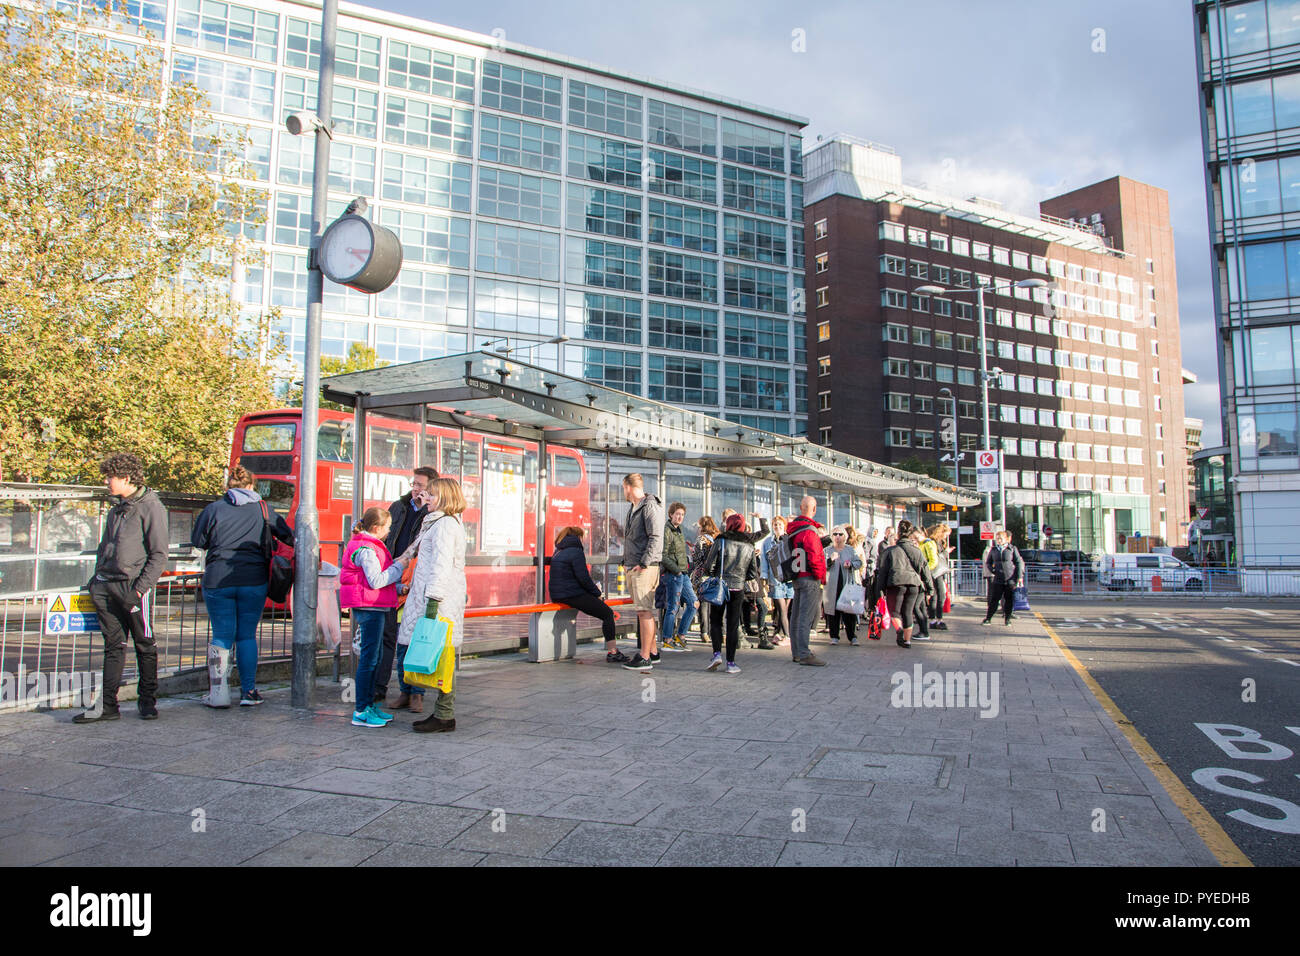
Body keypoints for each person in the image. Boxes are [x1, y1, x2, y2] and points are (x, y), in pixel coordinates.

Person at [74, 453, 169, 723]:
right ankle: (107, 706)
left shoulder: (151, 507)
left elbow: (159, 554)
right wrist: (97, 581)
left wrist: (138, 590)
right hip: (106, 586)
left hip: (132, 586)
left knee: (144, 644)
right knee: (113, 646)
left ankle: (148, 701)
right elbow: (106, 547)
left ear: (126, 478)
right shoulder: (117, 507)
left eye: (110, 477)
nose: (106, 481)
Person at [190, 465, 294, 708]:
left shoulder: (214, 509)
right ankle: (249, 692)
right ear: (251, 486)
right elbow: (287, 536)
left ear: (228, 486)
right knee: (246, 635)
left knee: (222, 635)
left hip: (218, 579)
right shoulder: (264, 509)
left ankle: (219, 694)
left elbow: (199, 541)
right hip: (254, 579)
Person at [401, 477, 468, 732]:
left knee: (443, 657)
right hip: (436, 598)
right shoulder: (439, 523)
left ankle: (444, 714)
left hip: (438, 601)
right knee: (443, 656)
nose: (425, 498)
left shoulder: (445, 526)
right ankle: (443, 712)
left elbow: (441, 566)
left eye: (431, 494)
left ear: (445, 497)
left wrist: (432, 603)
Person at [375, 466, 438, 710]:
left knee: (415, 637)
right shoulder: (398, 506)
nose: (415, 489)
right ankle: (394, 688)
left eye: (420, 485)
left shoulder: (432, 512)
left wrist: (424, 508)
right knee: (393, 637)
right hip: (394, 575)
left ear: (431, 488)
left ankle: (417, 692)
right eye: (414, 484)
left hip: (417, 580)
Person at [340, 507, 408, 728]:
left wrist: (397, 587)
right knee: (369, 660)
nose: (390, 531)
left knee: (374, 658)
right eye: (388, 528)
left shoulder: (366, 545)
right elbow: (376, 580)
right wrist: (399, 567)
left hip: (373, 605)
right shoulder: (367, 549)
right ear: (377, 528)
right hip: (369, 607)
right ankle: (361, 709)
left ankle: (368, 705)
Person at [549, 525, 622, 662]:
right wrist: (597, 593)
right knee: (607, 614)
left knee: (601, 610)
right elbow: (583, 578)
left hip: (559, 594)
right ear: (578, 537)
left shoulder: (558, 551)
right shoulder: (575, 551)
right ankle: (613, 652)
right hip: (572, 595)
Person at [701, 513, 761, 674]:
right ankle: (731, 662)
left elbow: (708, 565)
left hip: (720, 586)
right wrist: (740, 577)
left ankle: (716, 654)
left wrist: (714, 575)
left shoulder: (720, 540)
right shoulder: (749, 545)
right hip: (738, 588)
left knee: (715, 620)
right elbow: (752, 573)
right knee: (733, 624)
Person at [620, 474, 664, 671]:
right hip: (635, 565)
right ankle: (652, 652)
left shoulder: (649, 506)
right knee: (643, 611)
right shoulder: (634, 508)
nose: (623, 492)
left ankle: (644, 656)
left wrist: (644, 563)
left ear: (628, 487)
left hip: (644, 567)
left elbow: (656, 537)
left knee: (644, 611)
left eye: (623, 488)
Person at [876, 520, 933, 648]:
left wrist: (880, 590)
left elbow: (883, 572)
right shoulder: (917, 551)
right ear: (911, 533)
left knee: (894, 612)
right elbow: (925, 570)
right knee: (908, 612)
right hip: (914, 584)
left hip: (895, 584)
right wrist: (930, 589)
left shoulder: (889, 551)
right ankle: (907, 641)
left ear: (898, 533)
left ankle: (899, 630)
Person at [785, 496, 827, 666]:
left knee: (796, 616)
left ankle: (797, 651)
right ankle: (804, 652)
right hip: (809, 577)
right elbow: (815, 556)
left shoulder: (794, 529)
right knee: (805, 617)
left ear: (801, 507)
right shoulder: (809, 531)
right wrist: (820, 576)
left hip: (796, 576)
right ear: (814, 509)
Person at [659, 502, 696, 652]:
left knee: (694, 604)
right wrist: (677, 571)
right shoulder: (667, 531)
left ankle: (680, 636)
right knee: (673, 607)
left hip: (683, 573)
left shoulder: (679, 530)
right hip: (673, 574)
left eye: (682, 515)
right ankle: (667, 639)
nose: (680, 517)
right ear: (671, 515)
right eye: (677, 514)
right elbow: (663, 555)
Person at [822, 525, 864, 646]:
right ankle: (834, 636)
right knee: (833, 611)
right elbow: (821, 565)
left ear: (845, 537)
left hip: (847, 585)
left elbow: (859, 562)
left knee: (848, 611)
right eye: (835, 534)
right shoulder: (827, 550)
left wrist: (850, 564)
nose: (838, 537)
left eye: (840, 534)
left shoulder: (850, 549)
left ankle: (852, 636)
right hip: (831, 586)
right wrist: (830, 560)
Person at [983, 530, 1025, 626]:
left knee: (1008, 600)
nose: (998, 540)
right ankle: (988, 618)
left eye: (1000, 538)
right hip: (998, 579)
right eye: (997, 539)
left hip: (1010, 579)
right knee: (994, 599)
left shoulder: (1012, 549)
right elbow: (988, 562)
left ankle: (1007, 619)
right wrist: (993, 570)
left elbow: (1018, 562)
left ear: (1006, 539)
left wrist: (1018, 577)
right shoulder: (994, 550)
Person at [761, 516, 792, 646]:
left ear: (784, 526)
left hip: (789, 579)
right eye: (775, 525)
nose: (777, 527)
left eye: (780, 524)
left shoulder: (789, 540)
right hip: (776, 579)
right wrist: (764, 576)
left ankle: (780, 633)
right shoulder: (768, 542)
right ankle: (787, 635)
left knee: (784, 609)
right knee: (781, 608)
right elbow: (764, 560)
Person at [689, 515, 719, 643]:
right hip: (714, 576)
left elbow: (697, 559)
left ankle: (704, 632)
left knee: (703, 605)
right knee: (713, 604)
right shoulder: (717, 539)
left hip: (702, 576)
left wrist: (692, 551)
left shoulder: (701, 539)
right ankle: (714, 631)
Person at [922, 525, 953, 631]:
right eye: (946, 534)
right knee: (940, 595)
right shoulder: (933, 542)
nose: (946, 537)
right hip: (936, 572)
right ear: (941, 532)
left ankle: (933, 619)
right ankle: (938, 619)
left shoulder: (933, 541)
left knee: (935, 595)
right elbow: (936, 557)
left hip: (935, 572)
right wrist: (946, 552)